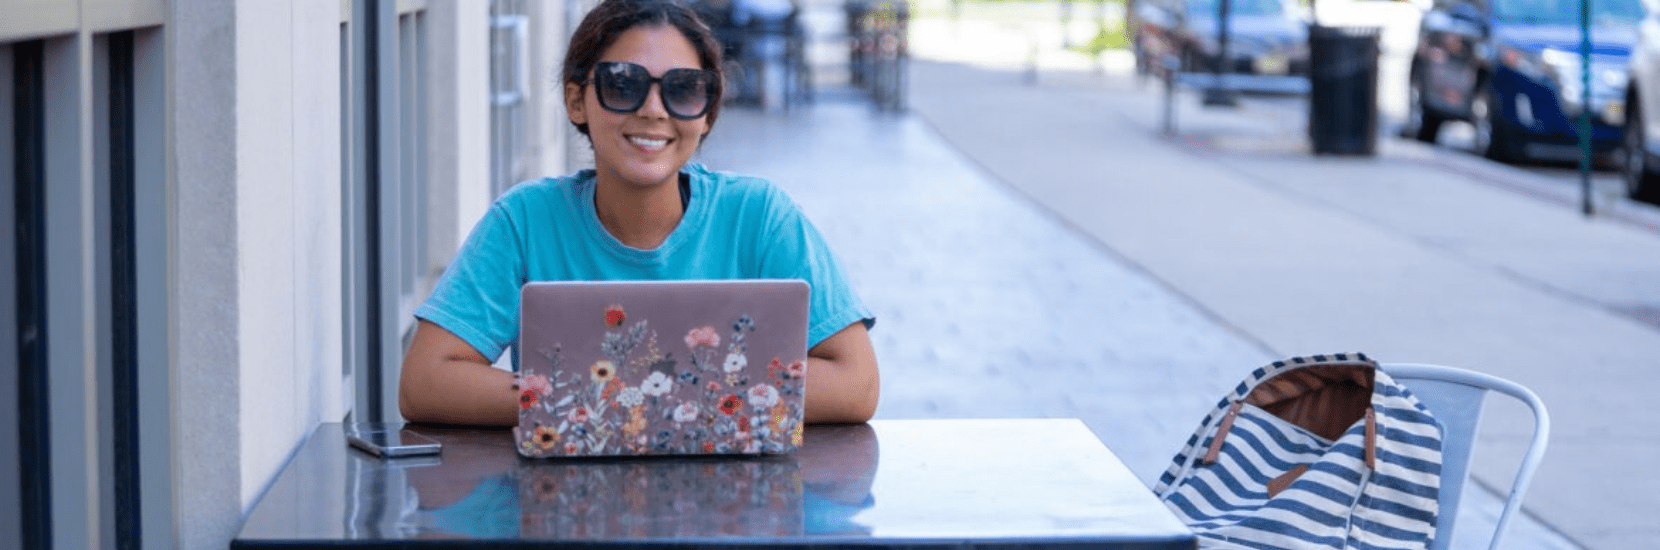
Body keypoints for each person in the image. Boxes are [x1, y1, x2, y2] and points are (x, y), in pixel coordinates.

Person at [398, 0, 878, 427]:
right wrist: (601, 400)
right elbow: (425, 381)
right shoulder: (525, 221)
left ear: (707, 112)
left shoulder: (759, 216)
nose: (653, 109)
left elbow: (856, 383)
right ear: (575, 100)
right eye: (622, 84)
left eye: (684, 89)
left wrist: (628, 398)